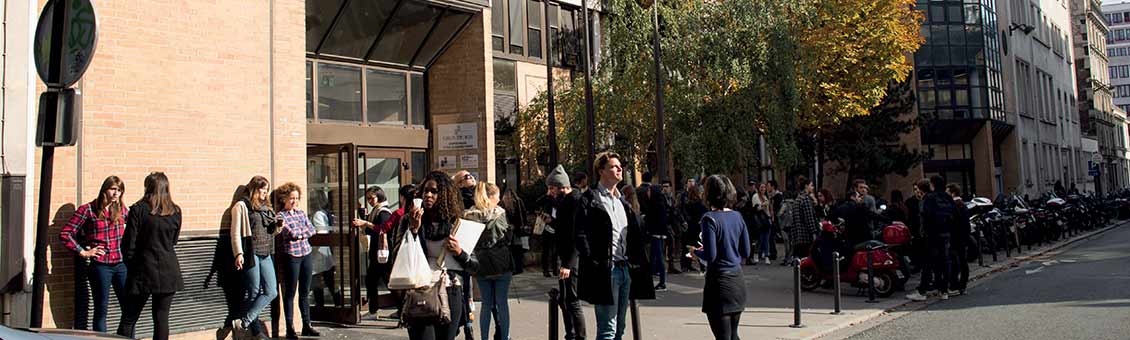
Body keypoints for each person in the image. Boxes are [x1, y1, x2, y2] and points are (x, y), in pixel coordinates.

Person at [575, 152, 656, 340]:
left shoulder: (622, 201)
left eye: (620, 166)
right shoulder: (590, 199)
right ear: (601, 170)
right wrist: (594, 262)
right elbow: (580, 234)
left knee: (620, 327)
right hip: (606, 270)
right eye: (613, 166)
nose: (619, 169)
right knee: (608, 329)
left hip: (624, 269)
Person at [396, 171, 480, 340]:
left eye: (434, 191)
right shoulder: (409, 219)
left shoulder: (456, 223)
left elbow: (474, 266)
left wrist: (459, 252)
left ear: (445, 195)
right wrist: (413, 230)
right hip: (419, 290)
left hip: (450, 291)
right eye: (425, 190)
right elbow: (397, 257)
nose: (428, 195)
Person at [116, 172, 183, 340]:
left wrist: (131, 265)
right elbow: (173, 240)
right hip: (169, 269)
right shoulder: (175, 211)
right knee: (161, 318)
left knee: (129, 318)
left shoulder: (138, 209)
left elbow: (128, 244)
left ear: (147, 187)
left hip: (143, 269)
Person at [59, 175, 129, 332]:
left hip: (120, 264)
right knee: (101, 309)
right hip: (101, 266)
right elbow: (65, 234)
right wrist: (83, 252)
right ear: (105, 189)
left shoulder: (121, 209)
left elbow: (134, 227)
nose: (116, 193)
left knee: (129, 308)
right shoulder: (88, 209)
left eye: (119, 190)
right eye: (113, 189)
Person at [694, 175, 750, 340]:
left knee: (723, 336)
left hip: (719, 283)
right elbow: (746, 251)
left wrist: (696, 252)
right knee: (733, 335)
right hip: (737, 281)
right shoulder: (737, 216)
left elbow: (711, 256)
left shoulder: (709, 219)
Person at [231, 176, 280, 340]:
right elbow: (235, 232)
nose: (265, 194)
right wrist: (238, 253)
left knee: (271, 291)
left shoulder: (267, 208)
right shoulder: (242, 206)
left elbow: (271, 231)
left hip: (266, 252)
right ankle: (256, 332)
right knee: (253, 291)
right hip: (251, 252)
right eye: (262, 190)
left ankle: (244, 323)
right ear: (253, 189)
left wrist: (278, 225)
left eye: (266, 190)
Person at [464, 182, 513, 340]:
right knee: (502, 304)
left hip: (480, 263)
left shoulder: (469, 216)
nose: (499, 199)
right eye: (497, 196)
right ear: (490, 197)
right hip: (501, 262)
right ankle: (504, 337)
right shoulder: (500, 214)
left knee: (486, 304)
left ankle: (484, 337)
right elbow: (508, 237)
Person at [545, 165, 587, 340]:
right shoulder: (564, 202)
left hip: (572, 260)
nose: (549, 193)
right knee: (564, 299)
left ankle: (579, 336)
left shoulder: (575, 200)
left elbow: (577, 235)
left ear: (562, 186)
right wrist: (552, 221)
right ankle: (570, 333)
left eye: (552, 188)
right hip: (566, 258)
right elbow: (564, 229)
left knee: (572, 300)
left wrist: (568, 265)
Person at [275, 183, 320, 339]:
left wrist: (301, 234)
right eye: (290, 198)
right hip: (292, 256)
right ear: (284, 199)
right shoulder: (281, 216)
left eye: (296, 198)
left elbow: (312, 229)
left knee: (304, 292)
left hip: (306, 254)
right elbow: (290, 233)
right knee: (290, 293)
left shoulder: (301, 213)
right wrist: (303, 234)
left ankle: (307, 325)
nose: (294, 201)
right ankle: (290, 328)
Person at [907, 176, 955, 301]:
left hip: (932, 235)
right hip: (945, 234)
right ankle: (943, 290)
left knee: (928, 263)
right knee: (943, 263)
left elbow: (926, 215)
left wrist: (924, 232)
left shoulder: (929, 197)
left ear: (932, 184)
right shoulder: (947, 197)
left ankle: (922, 291)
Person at [353, 187, 393, 320]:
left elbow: (382, 229)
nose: (370, 201)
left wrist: (365, 222)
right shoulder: (376, 211)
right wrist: (363, 216)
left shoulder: (383, 212)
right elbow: (371, 230)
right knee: (376, 281)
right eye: (368, 198)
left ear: (379, 197)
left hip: (383, 253)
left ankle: (374, 310)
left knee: (384, 282)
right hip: (377, 252)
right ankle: (374, 310)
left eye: (372, 198)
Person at [308, 191, 341, 308]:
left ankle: (321, 305)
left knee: (320, 280)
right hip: (323, 252)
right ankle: (334, 303)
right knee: (327, 280)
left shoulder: (317, 214)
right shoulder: (322, 213)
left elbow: (321, 233)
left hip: (318, 252)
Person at [640, 173, 670, 291]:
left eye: (649, 191)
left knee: (658, 257)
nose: (648, 193)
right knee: (654, 257)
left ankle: (662, 282)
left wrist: (645, 218)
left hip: (656, 233)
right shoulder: (660, 203)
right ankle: (653, 280)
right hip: (659, 233)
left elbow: (651, 218)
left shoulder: (655, 205)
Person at [946, 184, 971, 296]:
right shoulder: (962, 205)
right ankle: (962, 285)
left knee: (955, 262)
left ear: (952, 193)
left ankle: (955, 285)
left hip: (954, 237)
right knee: (963, 262)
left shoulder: (954, 205)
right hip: (962, 237)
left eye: (947, 192)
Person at [498, 187, 528, 275]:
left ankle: (512, 268)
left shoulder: (502, 203)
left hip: (508, 229)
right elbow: (524, 214)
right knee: (518, 250)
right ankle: (519, 268)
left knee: (509, 250)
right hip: (518, 229)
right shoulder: (519, 201)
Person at [788, 177, 818, 260]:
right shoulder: (805, 199)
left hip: (797, 236)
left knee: (800, 261)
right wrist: (814, 232)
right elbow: (809, 218)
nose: (813, 187)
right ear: (806, 186)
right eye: (811, 185)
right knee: (808, 259)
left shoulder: (797, 199)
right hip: (806, 236)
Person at [681, 186, 708, 272]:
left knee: (687, 246)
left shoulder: (687, 203)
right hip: (697, 227)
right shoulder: (700, 204)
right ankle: (702, 265)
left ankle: (685, 265)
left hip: (688, 227)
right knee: (699, 246)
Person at [766, 180, 784, 262]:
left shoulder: (778, 196)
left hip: (778, 219)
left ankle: (775, 253)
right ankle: (773, 253)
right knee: (771, 236)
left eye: (768, 186)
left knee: (779, 236)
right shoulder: (771, 196)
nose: (767, 187)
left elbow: (776, 208)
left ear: (773, 187)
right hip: (774, 219)